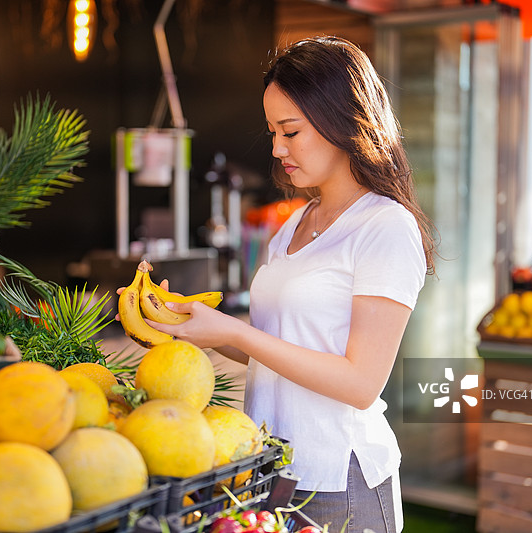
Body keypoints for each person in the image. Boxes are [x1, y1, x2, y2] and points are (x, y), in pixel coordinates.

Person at [123, 36, 435, 533]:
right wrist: (202, 325)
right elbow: (282, 349)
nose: (276, 148)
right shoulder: (295, 225)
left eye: (290, 131)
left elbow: (359, 383)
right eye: (272, 131)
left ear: (342, 119)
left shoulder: (385, 226)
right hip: (270, 470)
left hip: (339, 480)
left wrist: (236, 332)